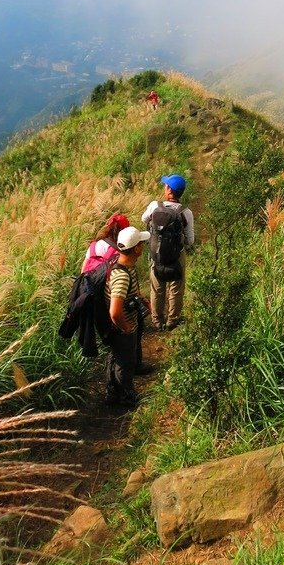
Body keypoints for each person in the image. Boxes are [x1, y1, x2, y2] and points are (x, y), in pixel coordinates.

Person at [103, 226, 152, 408]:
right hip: (121, 326)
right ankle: (126, 398)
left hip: (116, 326)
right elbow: (115, 311)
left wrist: (141, 299)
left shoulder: (121, 262)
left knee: (116, 358)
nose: (143, 245)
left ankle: (112, 393)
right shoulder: (122, 276)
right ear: (137, 248)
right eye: (141, 243)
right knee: (126, 363)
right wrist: (126, 327)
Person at [142, 173, 195, 331]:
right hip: (176, 255)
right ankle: (172, 321)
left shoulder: (154, 206)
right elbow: (190, 240)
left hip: (156, 254)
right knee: (176, 289)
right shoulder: (186, 212)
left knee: (157, 288)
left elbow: (144, 219)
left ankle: (157, 321)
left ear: (169, 190)